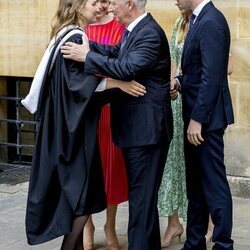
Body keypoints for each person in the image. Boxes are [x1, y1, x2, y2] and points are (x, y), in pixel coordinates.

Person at [24, 0, 145, 249]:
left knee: (77, 195)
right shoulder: (76, 37)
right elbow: (80, 86)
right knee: (80, 195)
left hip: (65, 124)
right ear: (79, 6)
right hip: (73, 131)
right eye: (94, 2)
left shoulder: (65, 33)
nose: (101, 7)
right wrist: (120, 85)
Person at [61, 0, 173, 249]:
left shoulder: (150, 33)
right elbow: (115, 53)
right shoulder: (136, 30)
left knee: (141, 203)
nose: (110, 8)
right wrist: (88, 46)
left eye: (114, 3)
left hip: (147, 133)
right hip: (139, 131)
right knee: (142, 202)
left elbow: (127, 67)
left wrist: (86, 56)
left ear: (130, 4)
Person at [171, 0, 234, 249]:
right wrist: (179, 81)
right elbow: (197, 72)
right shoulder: (198, 19)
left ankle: (223, 244)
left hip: (205, 121)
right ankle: (194, 242)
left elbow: (212, 76)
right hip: (196, 117)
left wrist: (197, 120)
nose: (174, 0)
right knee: (195, 185)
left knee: (214, 184)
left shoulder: (211, 21)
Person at [83, 1, 128, 249]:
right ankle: (87, 224)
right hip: (86, 110)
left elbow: (124, 66)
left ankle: (110, 224)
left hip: (111, 109)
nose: (101, 5)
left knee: (112, 169)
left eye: (104, 1)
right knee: (88, 168)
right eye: (96, 1)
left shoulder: (119, 27)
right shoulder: (81, 28)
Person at [158, 5, 191, 248]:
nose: (177, 3)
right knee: (172, 162)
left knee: (195, 164)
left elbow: (228, 67)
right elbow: (172, 61)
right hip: (176, 101)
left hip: (196, 102)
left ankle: (209, 223)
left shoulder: (208, 24)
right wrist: (171, 84)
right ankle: (173, 222)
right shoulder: (178, 25)